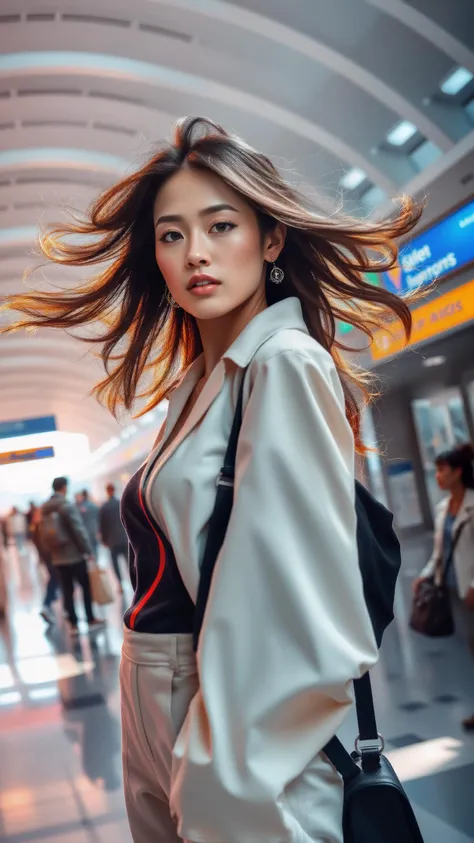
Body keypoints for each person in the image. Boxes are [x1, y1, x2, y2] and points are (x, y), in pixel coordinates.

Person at [3, 116, 422, 843]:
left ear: (270, 240)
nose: (195, 252)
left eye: (220, 225)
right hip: (161, 707)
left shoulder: (282, 364)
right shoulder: (200, 384)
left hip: (220, 729)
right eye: (171, 235)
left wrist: (215, 777)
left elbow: (281, 609)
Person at [414, 443, 474, 731]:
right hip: (454, 590)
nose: (437, 476)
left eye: (442, 470)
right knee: (471, 649)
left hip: (472, 589)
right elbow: (441, 552)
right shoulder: (442, 509)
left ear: (458, 472)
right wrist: (426, 575)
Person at [41, 477, 104, 635]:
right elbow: (78, 530)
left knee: (67, 591)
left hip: (57, 558)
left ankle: (74, 625)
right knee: (85, 587)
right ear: (64, 488)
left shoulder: (45, 508)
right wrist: (88, 551)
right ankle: (90, 619)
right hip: (74, 556)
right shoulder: (66, 506)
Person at [29, 507, 59, 625]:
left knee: (55, 579)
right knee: (55, 578)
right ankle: (46, 604)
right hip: (50, 558)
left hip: (47, 558)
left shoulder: (36, 527)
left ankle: (50, 601)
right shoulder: (39, 527)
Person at [99, 484, 128, 594]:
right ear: (114, 490)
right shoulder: (121, 503)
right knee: (129, 562)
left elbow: (102, 526)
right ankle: (135, 580)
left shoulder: (104, 507)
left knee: (115, 564)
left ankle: (120, 584)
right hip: (124, 538)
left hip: (112, 541)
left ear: (107, 491)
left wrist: (104, 541)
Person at [77, 489, 100, 559]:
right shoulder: (94, 505)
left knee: (90, 550)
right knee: (95, 548)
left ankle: (94, 563)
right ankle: (96, 562)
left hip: (85, 531)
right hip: (94, 530)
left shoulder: (80, 508)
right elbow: (98, 518)